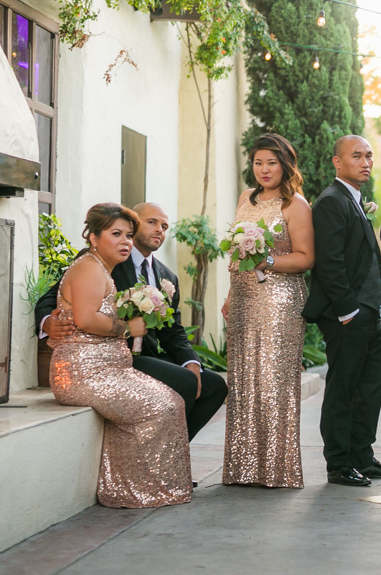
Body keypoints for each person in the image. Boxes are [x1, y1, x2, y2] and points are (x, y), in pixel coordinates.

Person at [37, 203, 227, 442]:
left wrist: (191, 361)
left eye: (165, 226)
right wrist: (47, 323)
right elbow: (54, 295)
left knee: (213, 385)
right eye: (152, 222)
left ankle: (170, 453)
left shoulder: (167, 276)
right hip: (107, 359)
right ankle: (159, 455)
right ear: (135, 225)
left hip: (145, 355)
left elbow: (173, 331)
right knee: (184, 383)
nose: (159, 229)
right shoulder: (101, 259)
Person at [49, 203, 191, 508]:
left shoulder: (103, 269)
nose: (126, 241)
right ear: (94, 237)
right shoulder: (88, 266)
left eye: (128, 234)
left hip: (109, 369)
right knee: (162, 406)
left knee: (171, 401)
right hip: (84, 372)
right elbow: (86, 319)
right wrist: (128, 328)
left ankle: (129, 484)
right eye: (116, 234)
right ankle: (139, 488)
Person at [222, 133, 314, 488]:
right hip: (244, 298)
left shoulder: (296, 204)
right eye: (258, 162)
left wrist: (268, 259)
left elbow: (306, 258)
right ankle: (243, 468)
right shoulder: (246, 198)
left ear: (285, 165)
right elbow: (236, 252)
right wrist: (231, 293)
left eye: (271, 163)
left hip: (281, 301)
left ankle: (277, 469)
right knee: (244, 378)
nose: (264, 169)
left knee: (274, 381)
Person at [304, 135, 381, 487]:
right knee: (343, 389)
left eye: (369, 155)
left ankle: (362, 456)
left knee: (370, 387)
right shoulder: (330, 201)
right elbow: (330, 263)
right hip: (348, 316)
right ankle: (339, 464)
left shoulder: (354, 200)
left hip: (369, 313)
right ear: (337, 162)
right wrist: (348, 311)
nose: (366, 161)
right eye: (357, 156)